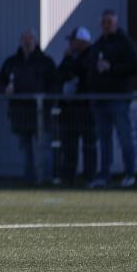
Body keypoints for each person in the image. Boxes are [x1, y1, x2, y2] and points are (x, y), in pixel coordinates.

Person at [86, 10, 137, 188]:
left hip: (118, 97)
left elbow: (134, 66)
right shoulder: (98, 44)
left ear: (116, 23)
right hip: (100, 98)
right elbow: (91, 68)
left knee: (124, 136)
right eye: (104, 22)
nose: (106, 25)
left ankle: (130, 173)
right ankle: (104, 175)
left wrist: (112, 67)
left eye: (109, 22)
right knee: (104, 139)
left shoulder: (125, 43)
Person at [0, 30, 58, 183]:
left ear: (36, 42)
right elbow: (0, 81)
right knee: (25, 149)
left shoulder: (46, 61)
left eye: (30, 39)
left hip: (41, 113)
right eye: (24, 39)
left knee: (44, 148)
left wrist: (47, 102)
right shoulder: (12, 62)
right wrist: (5, 90)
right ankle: (28, 179)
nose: (27, 42)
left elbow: (55, 84)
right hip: (19, 113)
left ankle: (46, 178)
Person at [57, 27, 96, 185]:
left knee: (88, 144)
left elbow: (82, 72)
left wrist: (70, 61)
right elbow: (60, 74)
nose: (71, 44)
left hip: (85, 108)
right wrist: (67, 59)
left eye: (73, 40)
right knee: (69, 144)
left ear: (81, 41)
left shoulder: (91, 55)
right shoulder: (71, 56)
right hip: (69, 108)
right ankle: (68, 176)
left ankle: (89, 177)